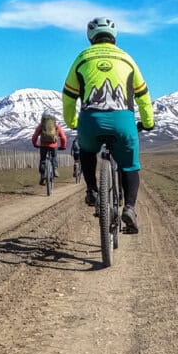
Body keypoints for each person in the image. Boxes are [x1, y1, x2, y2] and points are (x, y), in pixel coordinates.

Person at [61, 17, 155, 233]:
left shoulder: (82, 58)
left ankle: (93, 191)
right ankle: (130, 208)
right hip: (123, 121)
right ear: (114, 36)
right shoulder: (127, 59)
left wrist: (72, 122)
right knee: (129, 166)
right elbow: (142, 95)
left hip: (90, 121)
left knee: (86, 151)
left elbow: (68, 96)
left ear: (90, 36)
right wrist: (148, 122)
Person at [30, 112, 67, 185]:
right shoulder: (56, 126)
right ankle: (55, 169)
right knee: (54, 156)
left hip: (43, 146)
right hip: (53, 146)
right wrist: (63, 146)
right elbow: (63, 137)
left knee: (43, 160)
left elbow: (35, 136)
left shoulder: (41, 126)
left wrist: (35, 144)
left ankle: (42, 176)